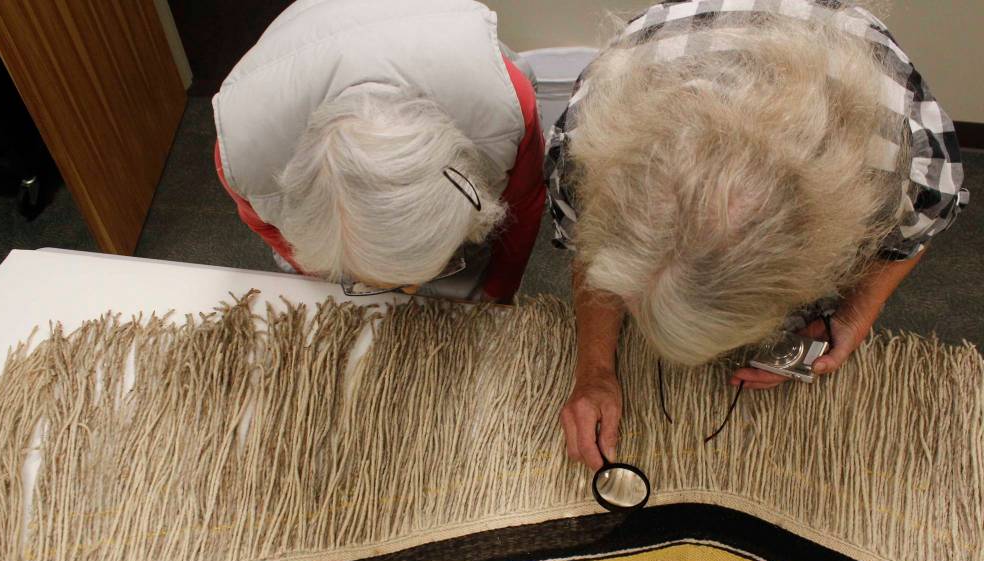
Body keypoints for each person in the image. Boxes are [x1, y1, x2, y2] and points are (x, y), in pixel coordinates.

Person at [547, 0, 969, 469]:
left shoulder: (904, 160)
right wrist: (595, 370)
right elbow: (590, 246)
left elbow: (913, 232)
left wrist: (855, 315)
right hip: (668, 49)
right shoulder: (586, 145)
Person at [213, 0, 545, 302]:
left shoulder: (505, 107)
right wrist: (321, 281)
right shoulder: (245, 157)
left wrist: (498, 290)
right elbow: (266, 225)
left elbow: (525, 202)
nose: (409, 292)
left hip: (454, 61)